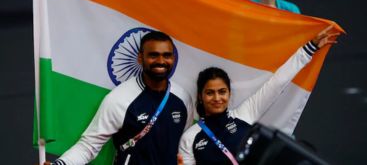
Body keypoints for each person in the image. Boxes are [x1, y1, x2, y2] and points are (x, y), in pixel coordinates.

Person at [178, 26, 339, 165]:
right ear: (200, 97)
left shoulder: (244, 113)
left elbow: (277, 83)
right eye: (209, 93)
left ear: (229, 93)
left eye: (222, 92)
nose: (217, 98)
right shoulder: (190, 137)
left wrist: (309, 48)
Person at [48, 31, 194, 165]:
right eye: (153, 55)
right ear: (140, 58)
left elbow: (185, 147)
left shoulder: (183, 98)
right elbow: (89, 146)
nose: (161, 61)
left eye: (167, 55)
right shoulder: (119, 98)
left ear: (173, 58)